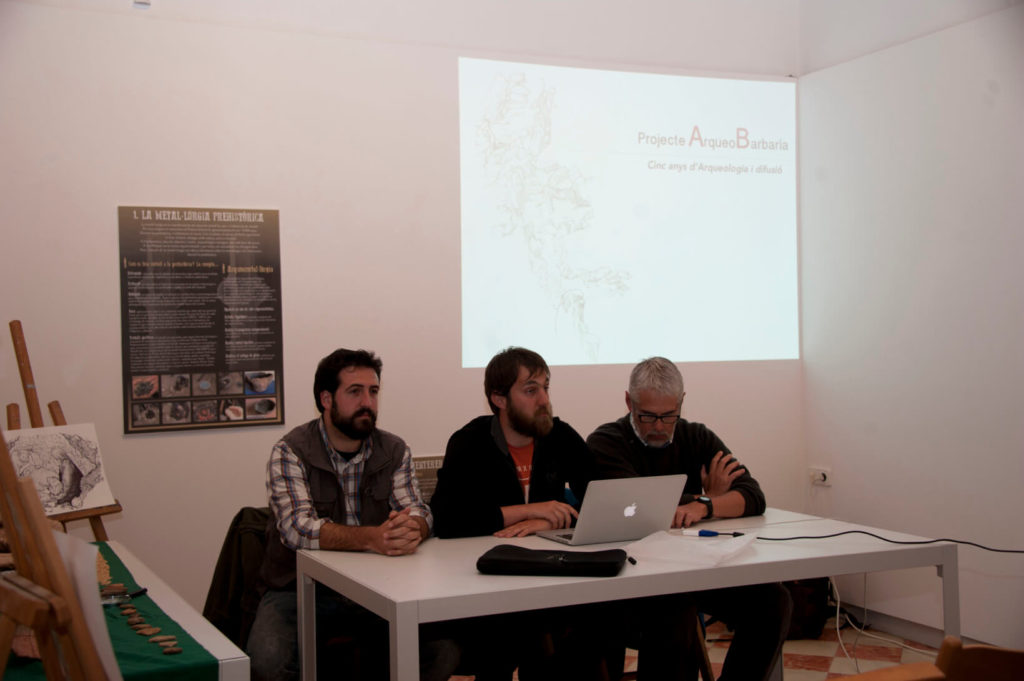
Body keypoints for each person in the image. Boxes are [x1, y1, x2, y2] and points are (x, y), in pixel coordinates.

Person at [247, 348, 458, 681]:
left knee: (443, 650)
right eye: (355, 392)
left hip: (379, 589)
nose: (368, 402)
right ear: (327, 399)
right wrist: (373, 538)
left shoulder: (394, 450)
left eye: (373, 392)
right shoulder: (291, 451)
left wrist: (412, 528)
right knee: (267, 660)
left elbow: (419, 510)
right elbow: (296, 529)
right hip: (300, 592)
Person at [587, 356, 793, 681]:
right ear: (629, 402)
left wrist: (706, 506)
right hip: (630, 582)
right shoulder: (605, 442)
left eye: (669, 416)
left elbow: (753, 496)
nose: (658, 426)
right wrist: (707, 495)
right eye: (647, 416)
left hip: (693, 571)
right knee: (675, 610)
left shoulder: (696, 436)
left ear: (681, 403)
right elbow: (638, 503)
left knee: (772, 601)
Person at [429, 347, 597, 680]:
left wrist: (550, 519)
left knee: (589, 627)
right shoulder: (469, 442)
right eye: (531, 390)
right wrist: (530, 511)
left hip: (550, 575)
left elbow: (601, 497)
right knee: (511, 634)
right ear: (499, 398)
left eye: (546, 388)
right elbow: (446, 518)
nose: (544, 399)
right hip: (486, 583)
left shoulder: (560, 435)